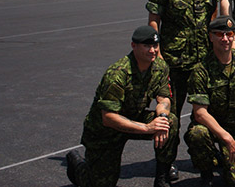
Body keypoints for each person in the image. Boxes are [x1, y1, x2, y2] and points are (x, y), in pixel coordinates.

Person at [66, 26, 178, 187]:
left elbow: (164, 98)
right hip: (105, 130)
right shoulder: (118, 73)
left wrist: (162, 117)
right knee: (99, 183)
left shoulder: (160, 67)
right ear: (134, 46)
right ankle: (77, 166)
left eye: (155, 45)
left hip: (134, 117)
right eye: (147, 46)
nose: (152, 50)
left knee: (170, 122)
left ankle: (162, 178)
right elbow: (109, 118)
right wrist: (147, 127)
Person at [147, 0, 218, 181]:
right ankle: (164, 166)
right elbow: (154, 21)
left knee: (208, 113)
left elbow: (216, 14)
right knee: (170, 117)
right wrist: (157, 55)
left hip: (203, 63)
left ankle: (207, 160)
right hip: (174, 62)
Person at [184, 15, 235, 186]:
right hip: (214, 127)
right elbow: (200, 113)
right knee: (197, 134)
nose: (225, 39)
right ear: (210, 36)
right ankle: (206, 174)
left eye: (230, 34)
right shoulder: (201, 70)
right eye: (219, 34)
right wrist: (225, 137)